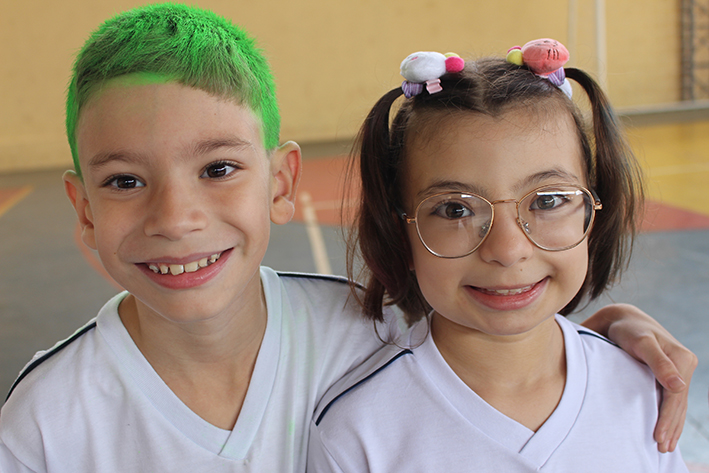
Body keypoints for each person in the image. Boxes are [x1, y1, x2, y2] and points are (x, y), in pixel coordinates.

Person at [0, 6, 693, 470]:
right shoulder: (42, 424)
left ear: (281, 182)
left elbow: (503, 334)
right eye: (125, 181)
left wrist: (609, 336)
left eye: (217, 169)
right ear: (83, 208)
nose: (175, 218)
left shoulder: (368, 328)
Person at [308, 40, 690, 472]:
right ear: (401, 234)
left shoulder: (643, 390)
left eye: (547, 201)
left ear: (592, 212)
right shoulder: (357, 431)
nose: (508, 251)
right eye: (456, 210)